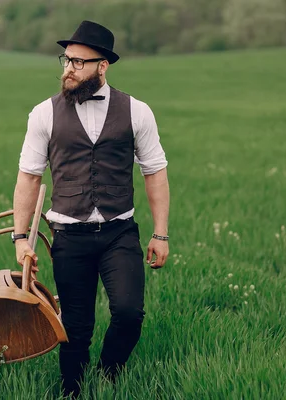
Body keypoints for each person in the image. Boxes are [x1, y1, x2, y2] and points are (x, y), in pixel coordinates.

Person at [12, 20, 170, 398]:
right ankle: (72, 391)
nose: (68, 68)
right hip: (69, 236)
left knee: (130, 314)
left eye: (79, 62)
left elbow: (155, 173)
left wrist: (160, 233)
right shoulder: (43, 114)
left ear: (103, 66)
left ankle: (109, 375)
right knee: (76, 327)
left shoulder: (138, 112)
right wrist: (20, 238)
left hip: (119, 232)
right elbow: (29, 179)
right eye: (66, 59)